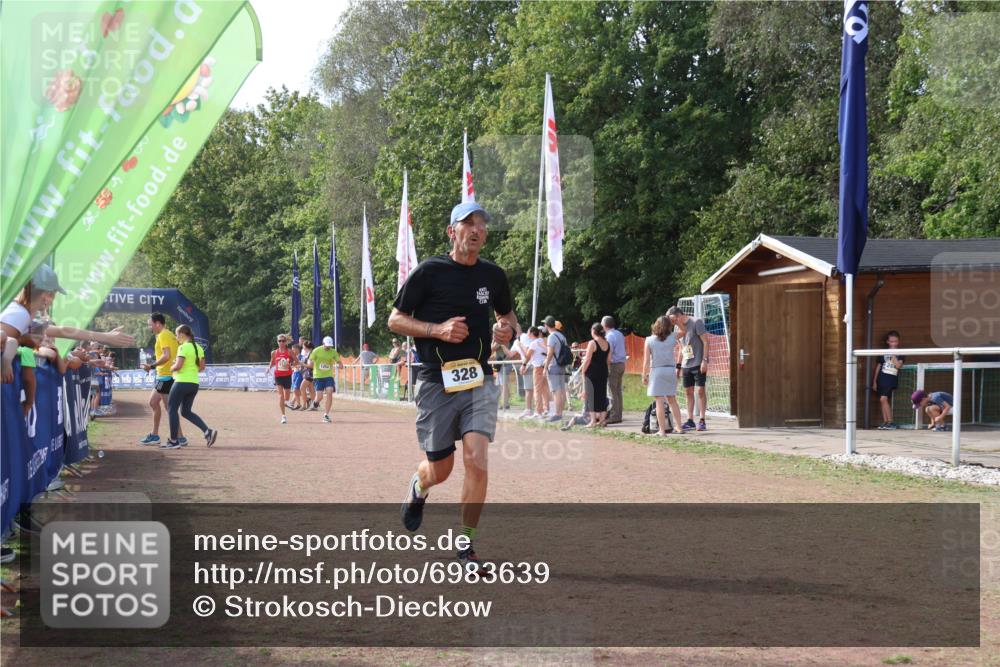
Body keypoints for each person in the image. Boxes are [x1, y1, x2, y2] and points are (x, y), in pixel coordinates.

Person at [389, 201, 518, 571]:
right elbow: (395, 320)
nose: (476, 230)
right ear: (452, 232)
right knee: (440, 470)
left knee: (476, 459)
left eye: (481, 225)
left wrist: (507, 329)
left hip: (478, 378)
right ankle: (419, 485)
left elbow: (506, 315)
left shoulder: (493, 276)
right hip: (436, 381)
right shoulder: (430, 272)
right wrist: (437, 330)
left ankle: (465, 546)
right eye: (468, 224)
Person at [0, 265, 135, 383]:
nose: (53, 300)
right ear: (46, 295)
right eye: (54, 294)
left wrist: (105, 336)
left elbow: (62, 330)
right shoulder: (19, 314)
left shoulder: (22, 314)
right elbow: (4, 339)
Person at [162, 324, 217, 449]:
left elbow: (178, 366)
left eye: (177, 335)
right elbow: (202, 367)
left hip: (181, 382)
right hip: (194, 384)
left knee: (171, 410)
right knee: (186, 412)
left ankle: (174, 441)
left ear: (182, 334)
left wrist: (172, 366)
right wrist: (190, 369)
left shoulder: (183, 347)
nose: (176, 338)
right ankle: (208, 432)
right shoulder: (198, 348)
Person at [138, 313, 185, 446]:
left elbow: (166, 356)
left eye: (150, 324)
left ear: (158, 323)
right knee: (153, 402)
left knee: (169, 408)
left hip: (165, 375)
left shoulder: (163, 335)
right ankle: (155, 435)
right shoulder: (169, 334)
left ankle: (179, 437)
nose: (149, 327)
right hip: (164, 375)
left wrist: (151, 365)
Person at [667, 305, 710, 432]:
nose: (672, 323)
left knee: (700, 390)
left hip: (698, 362)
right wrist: (678, 366)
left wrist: (705, 360)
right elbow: (681, 347)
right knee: (688, 392)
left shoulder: (696, 322)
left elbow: (706, 342)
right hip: (686, 364)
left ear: (679, 316)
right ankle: (690, 420)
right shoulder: (677, 328)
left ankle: (702, 420)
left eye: (673, 319)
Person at [642, 316, 684, 435]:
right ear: (669, 326)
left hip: (657, 371)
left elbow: (646, 361)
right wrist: (677, 322)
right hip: (670, 370)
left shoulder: (649, 340)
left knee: (659, 400)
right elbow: (684, 331)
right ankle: (679, 427)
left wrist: (644, 375)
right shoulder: (672, 337)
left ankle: (662, 430)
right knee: (672, 399)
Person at [579, 322, 611, 427]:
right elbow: (608, 360)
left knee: (591, 396)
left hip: (592, 372)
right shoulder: (607, 344)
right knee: (602, 395)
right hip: (603, 371)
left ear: (594, 331)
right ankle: (602, 420)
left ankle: (593, 421)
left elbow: (587, 359)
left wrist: (583, 370)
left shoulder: (592, 343)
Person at [873, 330, 905, 430]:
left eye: (895, 341)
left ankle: (890, 421)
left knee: (884, 398)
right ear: (888, 342)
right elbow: (878, 366)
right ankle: (886, 421)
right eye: (891, 342)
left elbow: (899, 365)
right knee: (882, 400)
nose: (894, 343)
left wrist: (893, 355)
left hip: (891, 377)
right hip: (882, 377)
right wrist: (874, 381)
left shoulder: (901, 353)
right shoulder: (882, 352)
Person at [308, 336, 343, 423]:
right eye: (327, 345)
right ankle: (315, 402)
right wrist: (310, 362)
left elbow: (338, 361)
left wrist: (340, 364)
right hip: (318, 376)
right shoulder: (316, 350)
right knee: (319, 396)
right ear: (323, 344)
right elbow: (310, 360)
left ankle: (326, 415)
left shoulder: (333, 352)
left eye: (330, 346)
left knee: (330, 392)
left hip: (328, 376)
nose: (328, 347)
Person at [543, 316, 570, 422]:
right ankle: (560, 412)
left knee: (556, 390)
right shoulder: (562, 336)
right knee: (562, 389)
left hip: (554, 365)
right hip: (562, 365)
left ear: (546, 325)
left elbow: (550, 353)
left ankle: (557, 413)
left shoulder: (551, 337)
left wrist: (545, 367)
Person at [520, 327, 550, 418]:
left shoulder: (534, 343)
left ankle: (538, 412)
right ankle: (546, 409)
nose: (527, 334)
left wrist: (523, 365)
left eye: (528, 332)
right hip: (545, 367)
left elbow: (527, 356)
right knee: (545, 389)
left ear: (532, 333)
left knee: (537, 390)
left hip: (537, 368)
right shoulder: (544, 341)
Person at [602, 315, 627, 424]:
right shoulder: (619, 334)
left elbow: (609, 353)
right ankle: (618, 414)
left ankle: (614, 416)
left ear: (604, 325)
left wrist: (606, 366)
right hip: (622, 363)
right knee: (617, 391)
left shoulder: (609, 336)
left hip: (614, 364)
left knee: (612, 391)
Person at [268, 334, 295, 424]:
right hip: (278, 375)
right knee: (281, 396)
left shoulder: (290, 352)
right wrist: (269, 368)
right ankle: (283, 416)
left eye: (283, 341)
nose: (281, 343)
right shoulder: (274, 353)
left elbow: (296, 361)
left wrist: (290, 364)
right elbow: (272, 362)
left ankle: (287, 402)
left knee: (286, 398)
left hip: (287, 375)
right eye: (280, 341)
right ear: (277, 342)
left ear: (286, 342)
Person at [511, 330, 533, 418]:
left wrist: (520, 345)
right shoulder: (516, 341)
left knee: (530, 389)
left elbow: (527, 354)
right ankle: (531, 409)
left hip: (531, 365)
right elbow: (510, 354)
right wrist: (501, 345)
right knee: (530, 389)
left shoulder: (524, 337)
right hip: (528, 366)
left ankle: (530, 410)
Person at [491, 340, 514, 410]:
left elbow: (492, 348)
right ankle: (505, 403)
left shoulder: (502, 341)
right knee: (501, 386)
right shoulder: (500, 340)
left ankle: (504, 404)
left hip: (504, 365)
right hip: (499, 365)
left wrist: (495, 340)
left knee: (503, 386)